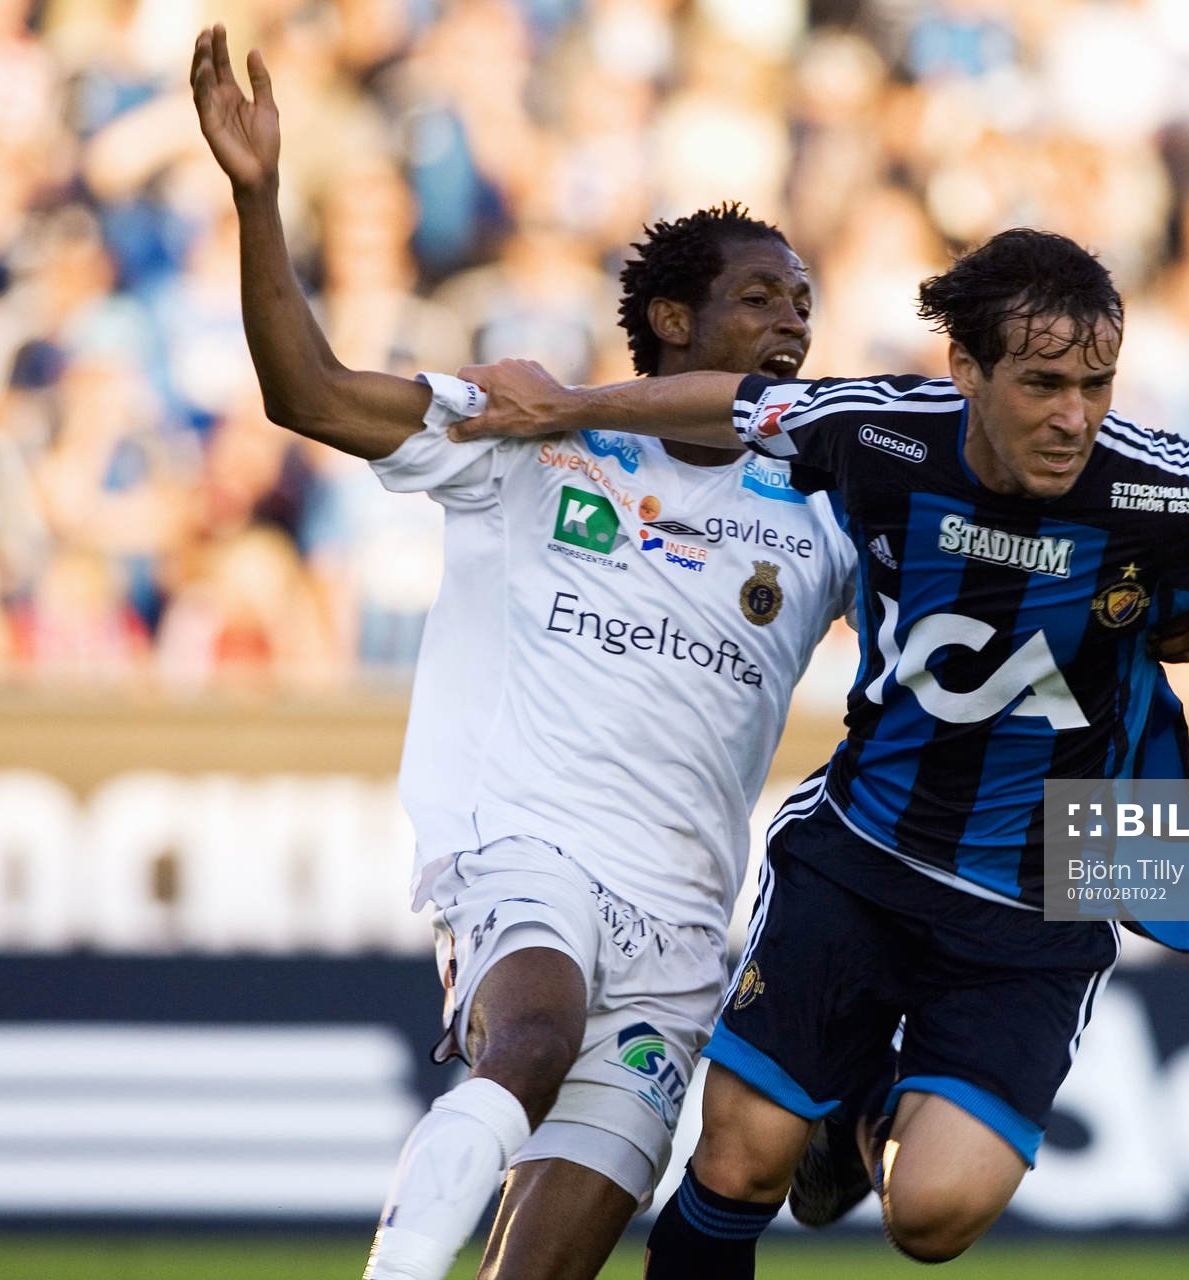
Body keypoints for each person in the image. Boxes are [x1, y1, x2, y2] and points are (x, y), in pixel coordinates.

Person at [451, 226, 1189, 1275]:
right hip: (863, 847)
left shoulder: (1159, 481)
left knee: (932, 1217)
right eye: (1041, 384)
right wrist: (570, 406)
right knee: (741, 1155)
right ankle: (823, 1111)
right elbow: (731, 401)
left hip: (1048, 885)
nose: (1072, 417)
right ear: (966, 371)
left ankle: (860, 1112)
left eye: (1096, 385)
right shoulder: (877, 428)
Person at [190, 26, 864, 1280]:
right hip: (523, 845)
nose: (792, 323)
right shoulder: (531, 436)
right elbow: (309, 393)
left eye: (803, 306)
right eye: (760, 297)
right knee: (533, 1036)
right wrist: (259, 196)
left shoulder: (822, 512)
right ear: (671, 317)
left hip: (682, 928)